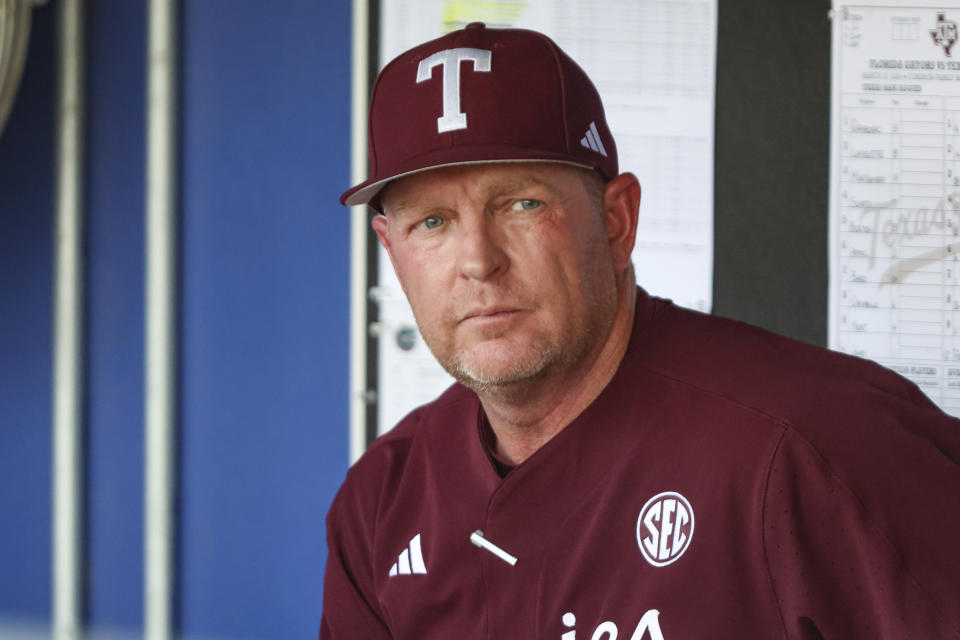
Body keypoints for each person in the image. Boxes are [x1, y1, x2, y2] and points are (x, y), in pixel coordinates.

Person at [321, 23, 960, 639]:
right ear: (391, 250)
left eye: (522, 203)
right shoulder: (382, 499)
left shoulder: (821, 446)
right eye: (432, 222)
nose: (479, 261)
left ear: (618, 221)